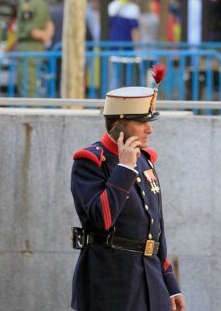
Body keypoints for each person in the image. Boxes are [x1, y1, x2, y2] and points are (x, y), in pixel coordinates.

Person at [71, 77, 186, 311]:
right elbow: (101, 219)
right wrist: (124, 169)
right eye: (142, 121)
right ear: (119, 124)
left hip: (151, 281)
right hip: (112, 283)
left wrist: (170, 284)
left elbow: (156, 228)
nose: (150, 129)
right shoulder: (91, 161)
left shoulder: (145, 159)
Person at [13, 0, 54, 97]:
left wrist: (41, 34)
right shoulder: (41, 0)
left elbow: (31, 30)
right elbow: (49, 24)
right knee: (35, 86)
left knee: (28, 89)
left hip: (28, 48)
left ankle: (30, 116)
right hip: (38, 48)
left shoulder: (27, 3)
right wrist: (45, 35)